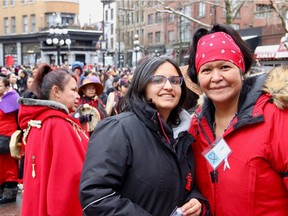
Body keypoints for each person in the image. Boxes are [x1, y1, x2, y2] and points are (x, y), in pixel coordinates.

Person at [79, 57, 210, 216]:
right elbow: (95, 196)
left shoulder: (183, 136)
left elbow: (183, 184)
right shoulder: (118, 129)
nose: (168, 86)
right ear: (143, 86)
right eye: (158, 80)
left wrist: (196, 201)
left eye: (175, 81)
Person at [187, 23, 288, 215]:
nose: (216, 77)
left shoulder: (275, 117)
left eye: (225, 67)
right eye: (206, 70)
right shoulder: (196, 128)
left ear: (241, 70)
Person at [18, 63, 89, 215]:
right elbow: (70, 180)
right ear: (56, 91)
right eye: (73, 90)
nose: (78, 96)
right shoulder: (59, 124)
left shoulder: (39, 121)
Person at [0, 77, 19, 204]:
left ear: (7, 87)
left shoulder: (13, 98)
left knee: (9, 166)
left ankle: (10, 193)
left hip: (7, 136)